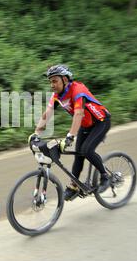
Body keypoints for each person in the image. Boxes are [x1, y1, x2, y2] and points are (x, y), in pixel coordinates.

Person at [29, 64, 112, 201]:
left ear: (65, 79)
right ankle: (74, 186)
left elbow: (78, 113)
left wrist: (70, 136)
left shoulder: (77, 90)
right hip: (86, 125)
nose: (52, 84)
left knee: (86, 150)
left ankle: (105, 176)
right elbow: (48, 113)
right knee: (79, 155)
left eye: (55, 80)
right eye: (50, 81)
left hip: (101, 121)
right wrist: (36, 133)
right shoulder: (57, 95)